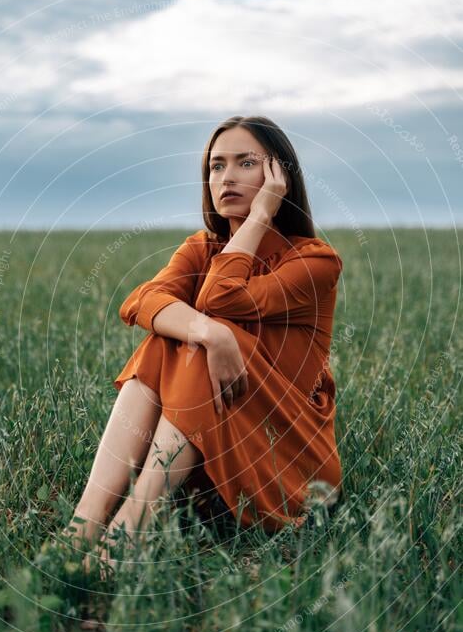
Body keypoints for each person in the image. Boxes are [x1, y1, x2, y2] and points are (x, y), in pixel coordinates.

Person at [61, 115, 344, 572]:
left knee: (195, 339)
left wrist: (260, 217)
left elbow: (220, 295)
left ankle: (127, 534)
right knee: (173, 339)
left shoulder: (315, 263)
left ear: (279, 178)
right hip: (208, 463)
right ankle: (82, 530)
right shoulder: (201, 248)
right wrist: (208, 332)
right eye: (215, 166)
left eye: (246, 163)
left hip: (287, 464)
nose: (225, 177)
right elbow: (142, 300)